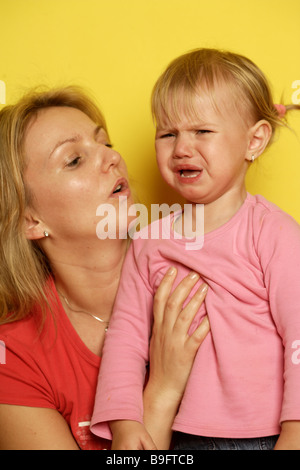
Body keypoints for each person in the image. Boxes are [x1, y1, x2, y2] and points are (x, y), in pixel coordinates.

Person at [91, 48, 300, 450]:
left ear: (254, 140)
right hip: (181, 434)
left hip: (266, 436)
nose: (181, 148)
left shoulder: (273, 233)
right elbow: (125, 337)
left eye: (202, 132)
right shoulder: (150, 240)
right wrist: (123, 420)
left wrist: (295, 428)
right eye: (168, 134)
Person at [0, 86, 210, 450]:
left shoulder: (202, 272)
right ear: (30, 220)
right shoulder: (13, 357)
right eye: (74, 160)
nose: (111, 158)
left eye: (106, 143)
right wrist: (161, 390)